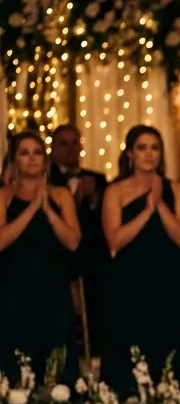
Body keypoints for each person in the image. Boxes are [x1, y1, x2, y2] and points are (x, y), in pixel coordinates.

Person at [101, 125, 180, 394]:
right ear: (130, 153)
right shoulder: (115, 191)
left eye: (155, 147)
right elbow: (114, 240)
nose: (149, 154)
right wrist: (146, 210)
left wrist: (161, 205)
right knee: (128, 357)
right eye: (142, 148)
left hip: (168, 281)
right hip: (129, 283)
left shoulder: (177, 189)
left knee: (170, 358)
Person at [0, 131, 81, 383]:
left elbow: (73, 241)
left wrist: (47, 210)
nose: (32, 159)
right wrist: (32, 208)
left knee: (56, 366)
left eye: (37, 152)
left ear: (45, 161)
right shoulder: (4, 196)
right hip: (14, 292)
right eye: (24, 153)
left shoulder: (61, 195)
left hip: (53, 291)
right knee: (17, 368)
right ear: (14, 161)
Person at [49, 123, 108, 357]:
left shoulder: (98, 179)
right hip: (61, 260)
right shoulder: (47, 180)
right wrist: (74, 199)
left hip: (93, 264)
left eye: (75, 142)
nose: (70, 149)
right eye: (63, 143)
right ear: (53, 148)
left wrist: (93, 202)